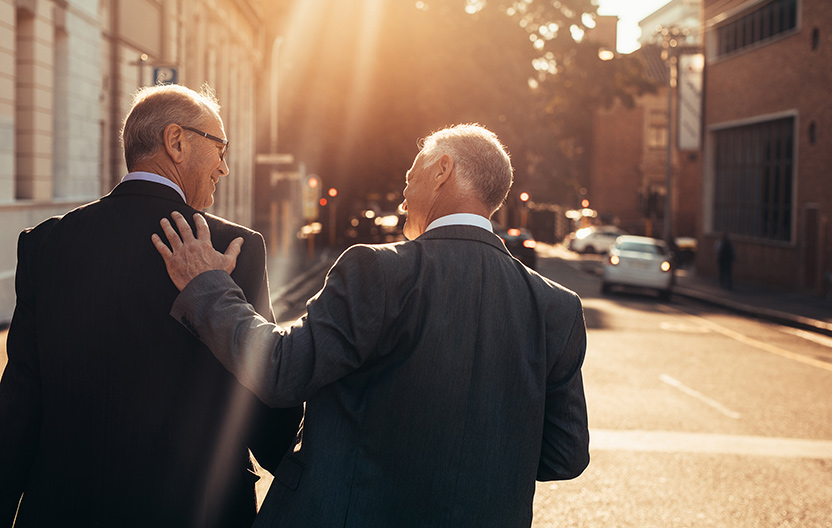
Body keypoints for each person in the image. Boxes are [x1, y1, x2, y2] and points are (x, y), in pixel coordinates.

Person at [153, 124, 589, 527]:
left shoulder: (377, 271)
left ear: (443, 171)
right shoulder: (557, 307)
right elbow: (565, 455)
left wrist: (209, 286)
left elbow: (282, 370)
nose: (403, 198)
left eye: (409, 177)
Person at [0, 84, 302, 527]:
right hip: (197, 509)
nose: (225, 166)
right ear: (176, 142)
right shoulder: (232, 248)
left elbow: (19, 404)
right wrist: (312, 480)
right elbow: (262, 393)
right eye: (220, 147)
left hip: (65, 508)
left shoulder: (46, 243)